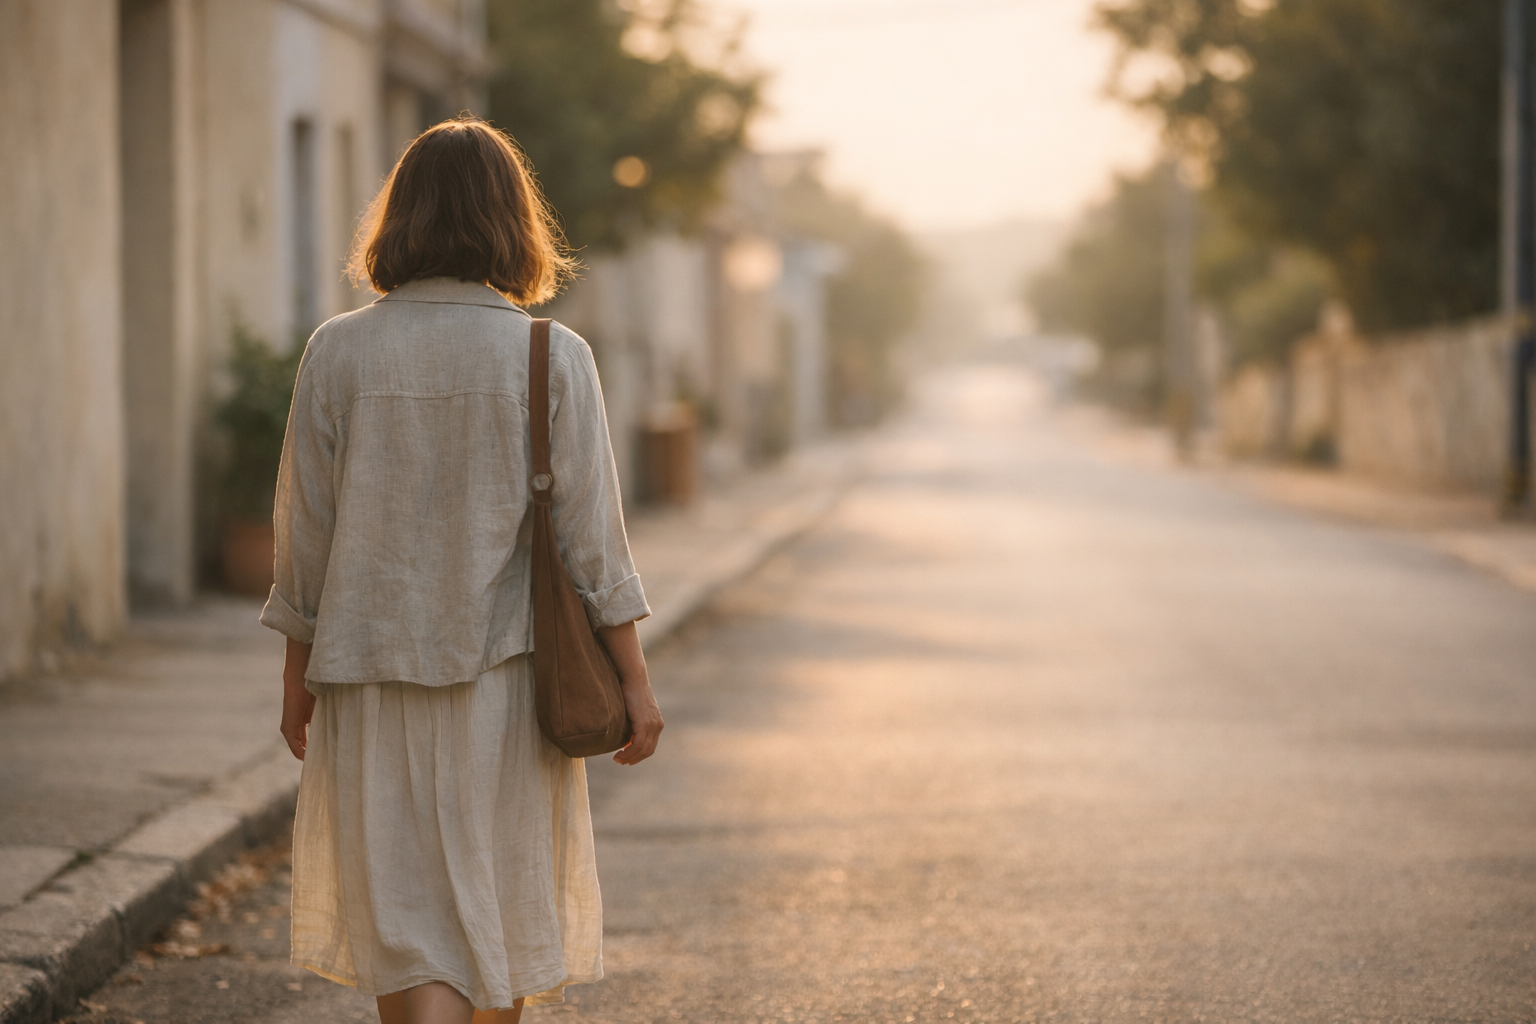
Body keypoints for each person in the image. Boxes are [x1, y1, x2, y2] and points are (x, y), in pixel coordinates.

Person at [259, 117, 664, 1024]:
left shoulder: (339, 351)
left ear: (398, 219)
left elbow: (305, 540)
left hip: (369, 679)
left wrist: (296, 679)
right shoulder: (550, 357)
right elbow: (594, 541)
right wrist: (634, 682)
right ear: (511, 222)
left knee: (408, 927)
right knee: (498, 919)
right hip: (508, 687)